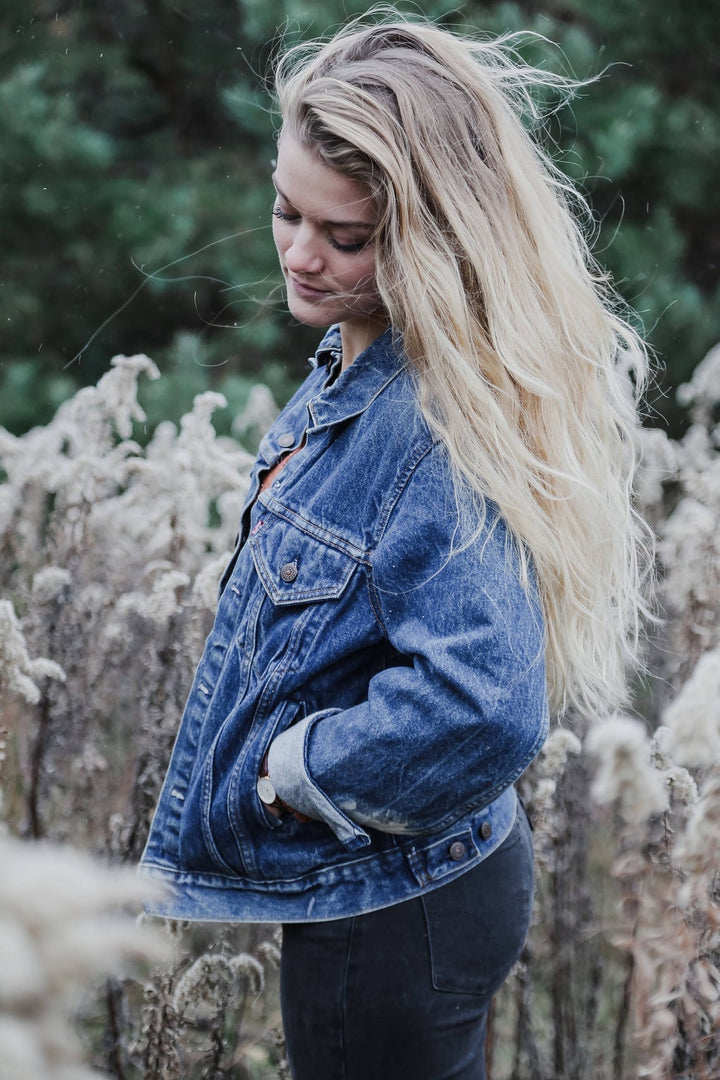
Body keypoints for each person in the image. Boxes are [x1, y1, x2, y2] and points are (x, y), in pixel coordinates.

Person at [141, 13, 649, 1079]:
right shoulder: (361, 361)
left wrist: (293, 775)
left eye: (347, 236)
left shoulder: (428, 421)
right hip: (402, 885)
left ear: (429, 234)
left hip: (394, 909)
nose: (299, 252)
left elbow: (484, 700)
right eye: (286, 212)